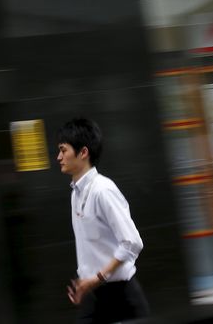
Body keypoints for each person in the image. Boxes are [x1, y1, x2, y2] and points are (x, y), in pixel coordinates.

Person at [56, 117, 149, 324]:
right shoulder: (76, 194)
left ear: (83, 152)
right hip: (93, 295)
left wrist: (97, 278)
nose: (59, 157)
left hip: (122, 297)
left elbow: (132, 242)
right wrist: (85, 284)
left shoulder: (103, 190)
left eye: (63, 150)